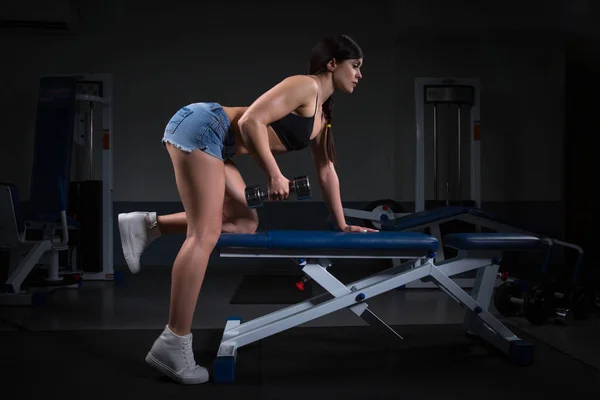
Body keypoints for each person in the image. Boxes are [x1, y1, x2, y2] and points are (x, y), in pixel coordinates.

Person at [117, 33, 377, 385]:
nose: (359, 74)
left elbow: (326, 170)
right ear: (333, 64)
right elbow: (249, 121)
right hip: (204, 125)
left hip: (217, 144)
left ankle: (150, 226)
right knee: (204, 234)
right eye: (355, 66)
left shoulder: (322, 115)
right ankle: (173, 342)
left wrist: (342, 224)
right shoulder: (305, 86)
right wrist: (274, 174)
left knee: (243, 222)